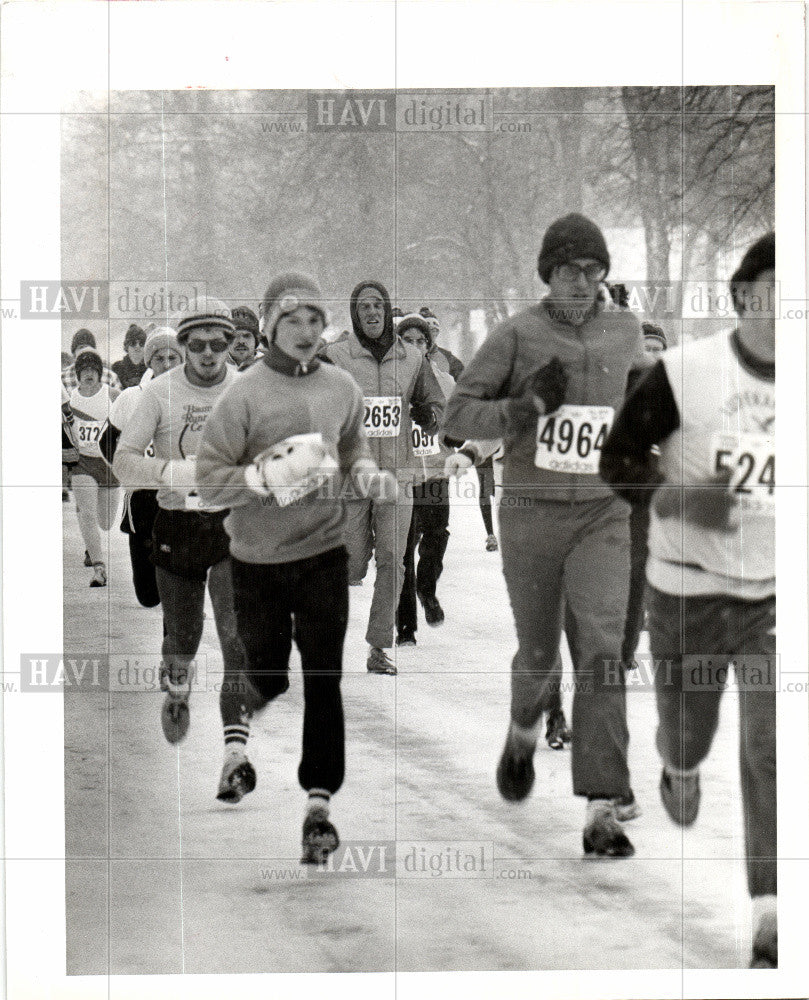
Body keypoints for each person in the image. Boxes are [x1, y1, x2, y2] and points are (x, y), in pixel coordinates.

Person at [444, 213, 646, 857]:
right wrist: (524, 406)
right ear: (548, 275)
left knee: (602, 649)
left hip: (602, 515)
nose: (582, 283)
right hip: (530, 513)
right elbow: (457, 414)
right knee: (538, 652)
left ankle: (601, 806)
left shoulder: (625, 331)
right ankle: (523, 731)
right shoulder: (517, 334)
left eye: (593, 271)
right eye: (568, 272)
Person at [600, 233, 776, 967]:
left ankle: (771, 914)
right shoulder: (682, 372)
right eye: (774, 290)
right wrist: (674, 495)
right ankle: (675, 765)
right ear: (742, 296)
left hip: (771, 599)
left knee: (771, 747)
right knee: (688, 734)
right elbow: (616, 459)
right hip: (682, 593)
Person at [197, 272, 392, 863]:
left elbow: (352, 443)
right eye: (292, 322)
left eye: (314, 320)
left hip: (323, 554)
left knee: (325, 679)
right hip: (256, 560)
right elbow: (209, 481)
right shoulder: (244, 395)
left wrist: (363, 473)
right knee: (272, 674)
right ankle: (243, 716)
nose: (306, 333)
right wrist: (261, 478)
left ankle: (318, 807)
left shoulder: (341, 386)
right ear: (271, 327)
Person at [113, 297, 244, 747]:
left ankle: (235, 751)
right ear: (184, 345)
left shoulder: (247, 389)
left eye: (218, 344)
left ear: (230, 345)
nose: (208, 354)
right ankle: (176, 684)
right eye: (198, 344)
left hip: (231, 526)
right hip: (177, 525)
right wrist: (170, 472)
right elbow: (122, 462)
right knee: (184, 635)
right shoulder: (159, 392)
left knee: (235, 635)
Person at [324, 281, 445, 675]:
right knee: (353, 565)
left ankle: (379, 646)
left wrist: (429, 416)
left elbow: (434, 402)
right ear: (355, 314)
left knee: (394, 559)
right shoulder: (337, 356)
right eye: (363, 308)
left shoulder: (411, 358)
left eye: (378, 306)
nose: (372, 313)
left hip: (397, 479)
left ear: (387, 309)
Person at [101, 328, 184, 608]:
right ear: (149, 362)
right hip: (142, 500)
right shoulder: (131, 398)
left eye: (174, 357)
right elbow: (106, 442)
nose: (168, 364)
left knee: (177, 584)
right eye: (160, 358)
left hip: (177, 498)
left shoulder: (191, 398)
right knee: (148, 596)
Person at [395, 313, 455, 644]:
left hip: (433, 470)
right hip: (402, 472)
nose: (416, 346)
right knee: (402, 547)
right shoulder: (390, 380)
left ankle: (427, 589)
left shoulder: (444, 382)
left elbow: (456, 422)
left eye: (421, 341)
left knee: (436, 534)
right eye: (408, 341)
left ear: (429, 346)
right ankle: (406, 625)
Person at [621, 321, 669, 668]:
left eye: (658, 348)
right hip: (614, 496)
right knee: (623, 570)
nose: (653, 355)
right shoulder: (615, 389)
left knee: (644, 570)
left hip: (655, 497)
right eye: (646, 348)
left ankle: (628, 647)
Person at [69, 350, 122, 587]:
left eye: (93, 370)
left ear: (100, 374)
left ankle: (92, 546)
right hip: (83, 463)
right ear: (78, 374)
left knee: (106, 522)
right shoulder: (69, 400)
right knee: (87, 513)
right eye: (84, 370)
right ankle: (99, 568)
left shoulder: (112, 395)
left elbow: (131, 416)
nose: (89, 374)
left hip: (109, 465)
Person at [112, 324, 148, 388]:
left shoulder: (150, 368)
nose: (137, 346)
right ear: (127, 346)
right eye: (133, 343)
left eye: (141, 343)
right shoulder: (117, 368)